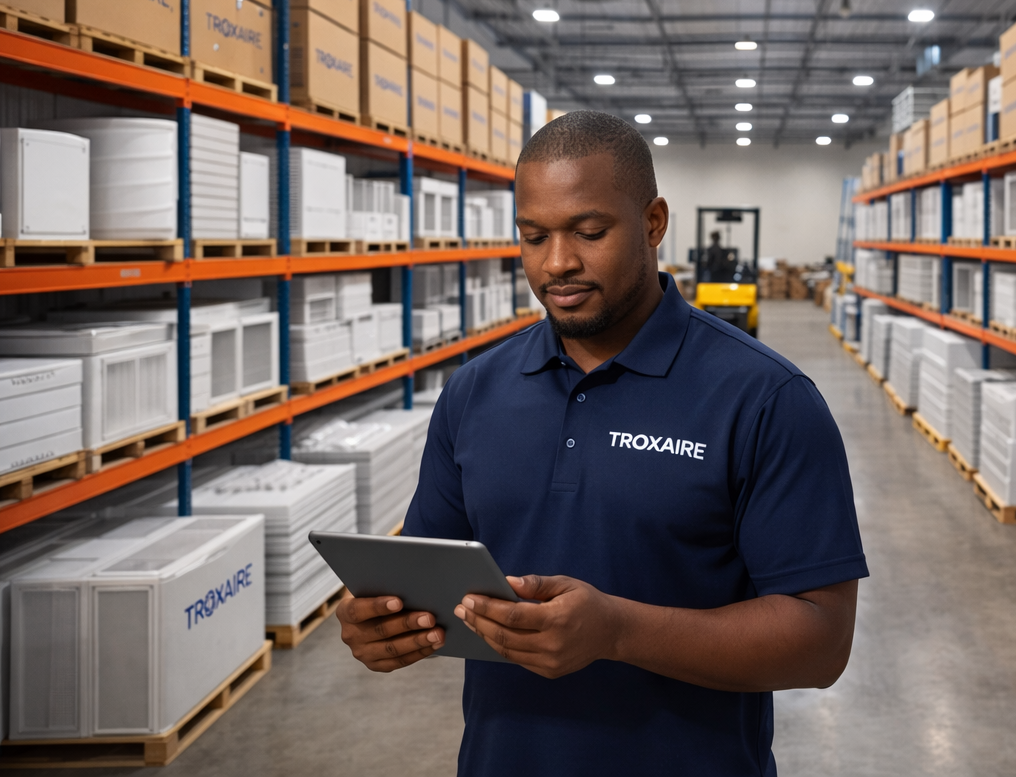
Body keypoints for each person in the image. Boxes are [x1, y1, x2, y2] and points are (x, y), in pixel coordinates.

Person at [336, 111, 867, 776]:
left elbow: (820, 642)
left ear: (653, 222)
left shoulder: (765, 400)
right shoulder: (475, 393)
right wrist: (381, 622)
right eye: (534, 237)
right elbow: (426, 577)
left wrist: (617, 632)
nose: (557, 263)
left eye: (590, 232)